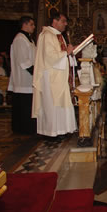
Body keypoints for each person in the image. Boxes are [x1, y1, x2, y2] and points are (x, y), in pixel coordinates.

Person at [32, 11, 76, 139]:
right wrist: (66, 53)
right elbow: (49, 57)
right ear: (55, 21)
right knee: (51, 104)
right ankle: (51, 133)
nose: (66, 24)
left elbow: (62, 54)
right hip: (50, 76)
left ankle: (61, 130)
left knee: (60, 103)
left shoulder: (59, 36)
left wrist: (71, 52)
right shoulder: (46, 35)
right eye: (63, 21)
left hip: (60, 76)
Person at [8, 16, 37, 134]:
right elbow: (23, 60)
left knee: (29, 105)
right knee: (23, 105)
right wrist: (35, 72)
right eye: (32, 24)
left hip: (29, 79)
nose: (34, 27)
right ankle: (22, 129)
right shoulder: (19, 39)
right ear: (24, 25)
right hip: (23, 78)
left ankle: (29, 128)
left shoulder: (30, 39)